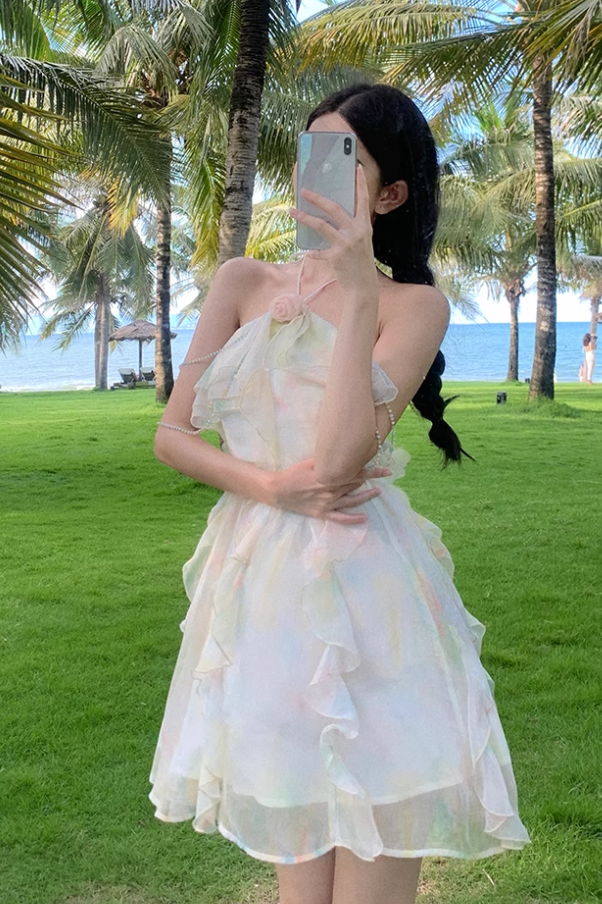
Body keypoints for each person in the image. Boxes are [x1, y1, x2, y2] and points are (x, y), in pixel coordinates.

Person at [149, 84, 530, 904]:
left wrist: (357, 294)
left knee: (373, 862)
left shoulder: (415, 305)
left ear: (390, 195)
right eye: (311, 154)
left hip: (370, 598)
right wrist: (269, 488)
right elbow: (172, 436)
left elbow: (337, 460)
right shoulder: (242, 281)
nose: (315, 177)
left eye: (345, 161)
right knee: (299, 875)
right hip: (262, 598)